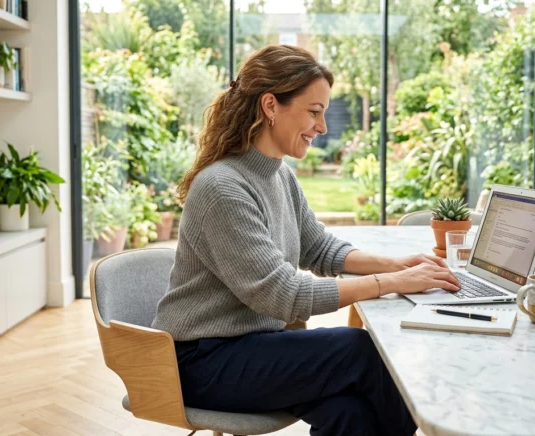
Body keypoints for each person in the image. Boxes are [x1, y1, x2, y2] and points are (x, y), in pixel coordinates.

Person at [151, 44, 461, 436]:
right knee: (360, 351)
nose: (323, 126)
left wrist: (397, 265)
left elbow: (319, 248)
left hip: (255, 344)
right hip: (201, 361)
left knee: (348, 413)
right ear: (270, 105)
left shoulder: (279, 175)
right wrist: (391, 283)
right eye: (314, 111)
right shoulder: (222, 188)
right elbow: (284, 295)